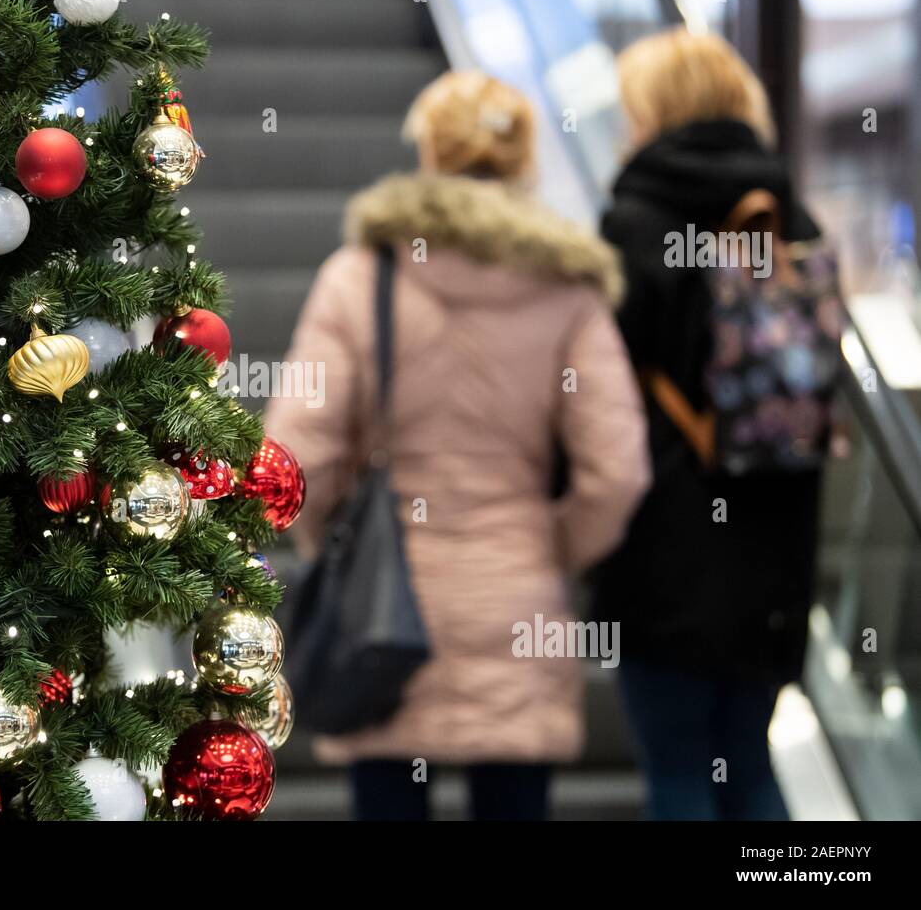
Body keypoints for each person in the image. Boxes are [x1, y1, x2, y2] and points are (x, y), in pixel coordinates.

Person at [264, 72, 651, 821]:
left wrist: (331, 543)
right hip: (516, 599)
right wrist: (549, 547)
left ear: (431, 150)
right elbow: (619, 470)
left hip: (382, 610)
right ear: (525, 157)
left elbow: (296, 453)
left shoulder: (360, 275)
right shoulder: (569, 288)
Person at [593, 28, 825, 820]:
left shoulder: (635, 219)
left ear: (654, 108)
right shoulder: (790, 213)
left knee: (680, 770)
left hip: (666, 548)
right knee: (750, 766)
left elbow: (600, 397)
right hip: (777, 542)